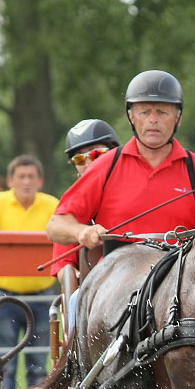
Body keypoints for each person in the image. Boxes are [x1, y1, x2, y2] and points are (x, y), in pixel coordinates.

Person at [47, 70, 195, 285]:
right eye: (144, 112)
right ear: (131, 117)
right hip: (116, 284)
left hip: (179, 283)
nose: (153, 120)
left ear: (178, 118)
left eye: (162, 112)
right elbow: (55, 226)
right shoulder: (105, 167)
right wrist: (82, 231)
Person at [0, 154, 59, 389]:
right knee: (4, 362)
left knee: (39, 364)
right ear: (11, 180)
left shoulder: (51, 204)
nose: (26, 182)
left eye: (31, 176)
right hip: (3, 296)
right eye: (21, 176)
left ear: (40, 181)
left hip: (42, 297)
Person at [50, 118, 121, 313]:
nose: (89, 162)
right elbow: (65, 267)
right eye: (80, 159)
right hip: (96, 294)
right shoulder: (73, 205)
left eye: (97, 153)